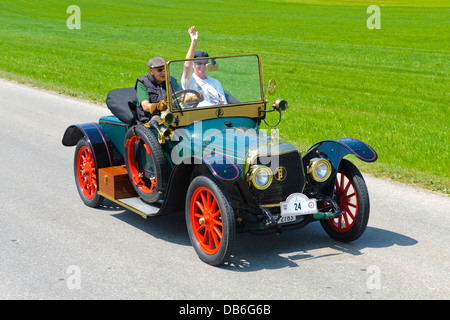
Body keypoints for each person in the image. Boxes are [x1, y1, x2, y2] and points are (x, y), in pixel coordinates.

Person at [181, 26, 227, 107]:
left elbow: (223, 102)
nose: (202, 66)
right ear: (193, 65)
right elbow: (187, 66)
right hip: (200, 116)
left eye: (204, 63)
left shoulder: (215, 82)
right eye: (199, 63)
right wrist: (193, 42)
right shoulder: (189, 81)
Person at [135, 57, 181, 123]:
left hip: (171, 116)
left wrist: (191, 98)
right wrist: (157, 106)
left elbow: (182, 95)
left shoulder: (172, 80)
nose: (163, 72)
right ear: (151, 71)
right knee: (157, 119)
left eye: (165, 69)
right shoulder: (143, 82)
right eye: (160, 70)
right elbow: (145, 106)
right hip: (151, 119)